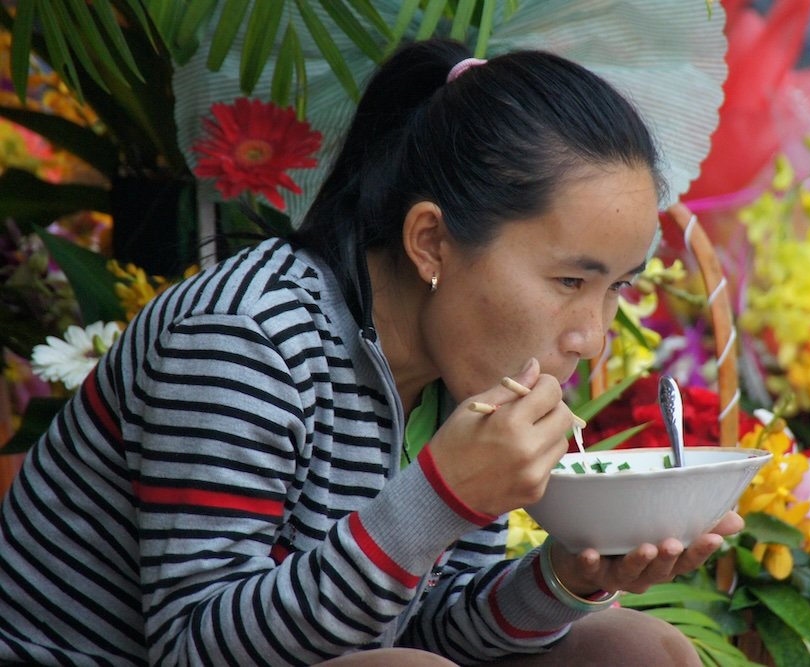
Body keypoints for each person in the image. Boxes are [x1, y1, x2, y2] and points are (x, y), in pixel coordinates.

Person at [0, 39, 742, 665]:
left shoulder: (464, 368)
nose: (592, 332)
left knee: (640, 650)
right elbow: (196, 647)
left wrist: (570, 575)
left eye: (615, 287)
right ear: (431, 242)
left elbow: (431, 622)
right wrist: (438, 496)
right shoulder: (247, 337)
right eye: (570, 279)